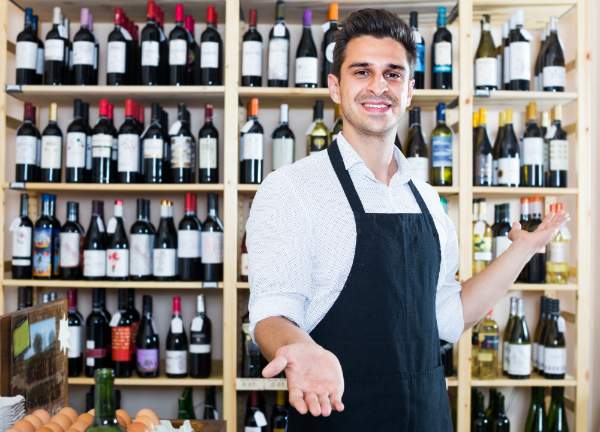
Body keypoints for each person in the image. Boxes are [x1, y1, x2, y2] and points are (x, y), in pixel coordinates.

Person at [245, 9, 568, 431]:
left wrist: (523, 249)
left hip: (428, 417)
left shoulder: (429, 199)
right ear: (335, 88)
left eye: (393, 74)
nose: (379, 85)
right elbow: (271, 314)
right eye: (362, 71)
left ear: (410, 91)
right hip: (339, 418)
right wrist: (299, 349)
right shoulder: (292, 188)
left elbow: (449, 317)